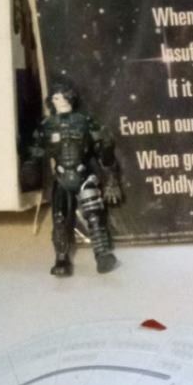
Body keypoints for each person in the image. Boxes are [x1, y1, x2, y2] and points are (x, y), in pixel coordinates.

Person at [27, 77, 123, 276]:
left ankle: (102, 255)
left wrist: (111, 180)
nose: (59, 100)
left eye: (62, 96)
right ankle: (61, 260)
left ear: (70, 98)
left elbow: (103, 150)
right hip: (61, 177)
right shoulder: (46, 125)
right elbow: (36, 151)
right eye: (55, 97)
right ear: (51, 101)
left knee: (94, 216)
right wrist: (30, 168)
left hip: (84, 175)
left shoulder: (85, 121)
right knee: (59, 219)